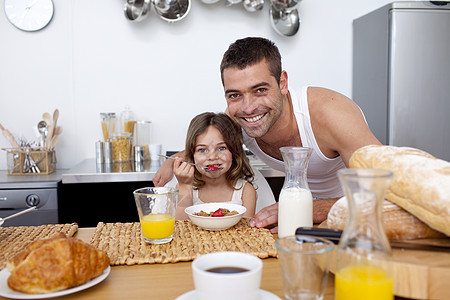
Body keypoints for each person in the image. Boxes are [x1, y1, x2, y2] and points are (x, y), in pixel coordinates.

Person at [153, 37, 381, 231]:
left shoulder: (331, 114)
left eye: (260, 90)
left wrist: (308, 209)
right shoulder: (237, 118)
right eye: (234, 95)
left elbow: (387, 196)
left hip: (356, 222)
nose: (248, 107)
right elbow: (209, 140)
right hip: (298, 223)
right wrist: (178, 158)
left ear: (282, 83)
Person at [173, 112, 257, 220]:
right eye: (202, 150)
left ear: (234, 152)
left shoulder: (246, 191)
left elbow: (245, 233)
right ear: (192, 155)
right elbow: (182, 229)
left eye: (221, 148)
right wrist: (184, 186)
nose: (212, 157)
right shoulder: (183, 187)